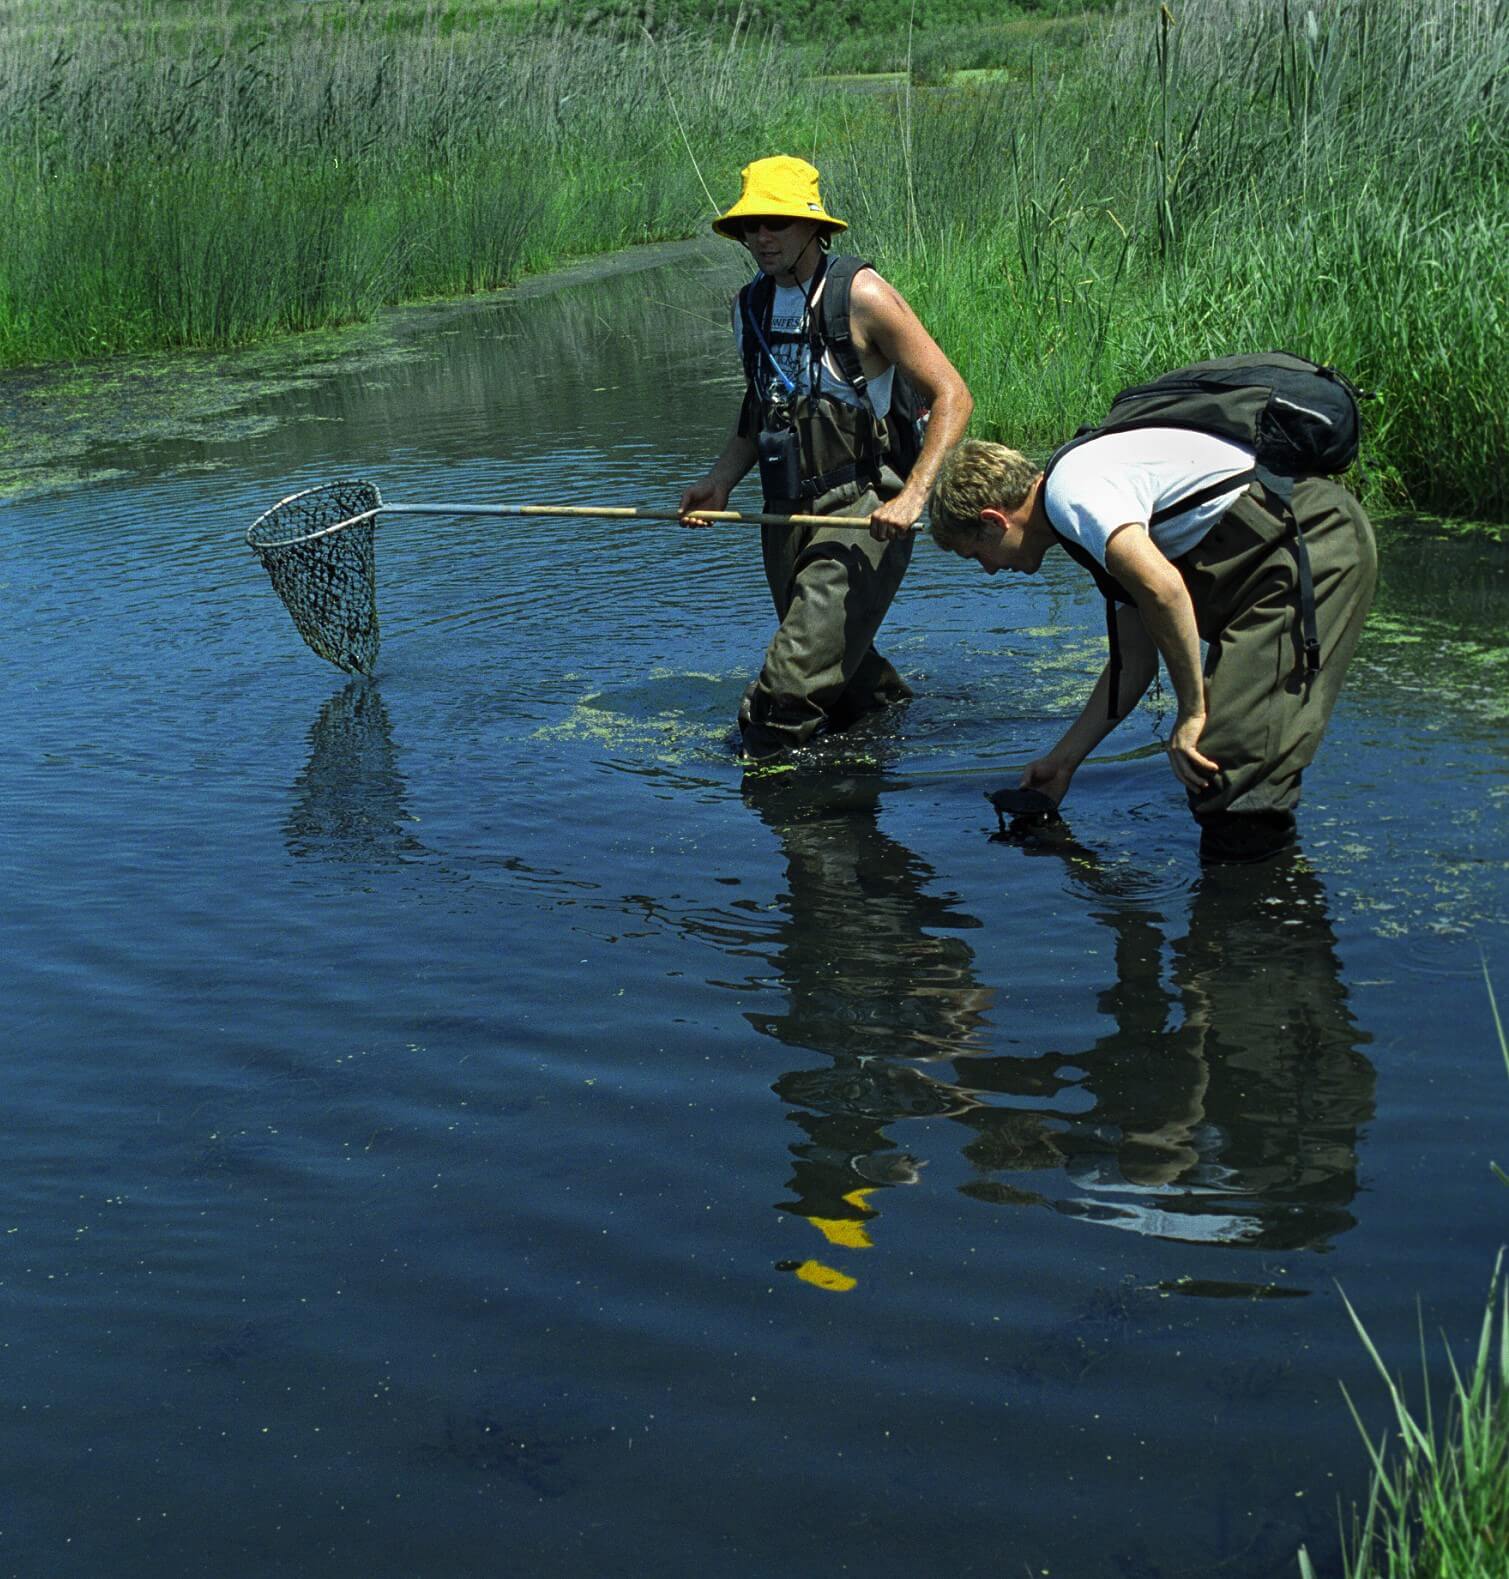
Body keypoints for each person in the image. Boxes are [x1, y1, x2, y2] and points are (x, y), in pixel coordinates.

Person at [927, 426, 1377, 863]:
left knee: (1222, 764)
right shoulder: (1084, 517)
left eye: (976, 554)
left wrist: (1191, 711)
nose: (987, 570)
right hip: (1273, 561)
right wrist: (1063, 761)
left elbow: (1165, 591)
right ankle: (1240, 910)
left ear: (993, 521)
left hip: (1306, 543)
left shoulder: (1073, 495)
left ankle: (1255, 920)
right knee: (1223, 766)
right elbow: (1134, 660)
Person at [679, 155, 972, 760]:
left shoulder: (861, 295)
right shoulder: (749, 305)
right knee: (843, 677)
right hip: (784, 511)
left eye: (776, 224)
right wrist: (719, 482)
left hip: (865, 511)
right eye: (750, 226)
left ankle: (768, 793)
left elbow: (953, 394)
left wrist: (914, 495)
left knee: (787, 690)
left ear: (814, 227)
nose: (761, 238)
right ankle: (900, 738)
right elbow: (760, 408)